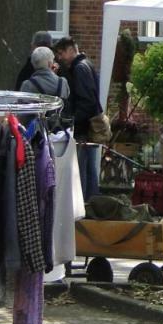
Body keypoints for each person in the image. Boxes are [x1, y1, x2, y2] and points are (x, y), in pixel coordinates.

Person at [54, 36, 102, 202]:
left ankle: (84, 212)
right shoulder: (85, 65)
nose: (59, 58)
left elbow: (86, 102)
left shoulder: (79, 69)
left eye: (61, 53)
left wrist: (71, 121)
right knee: (88, 172)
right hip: (87, 128)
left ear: (70, 50)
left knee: (81, 173)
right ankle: (91, 207)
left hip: (82, 129)